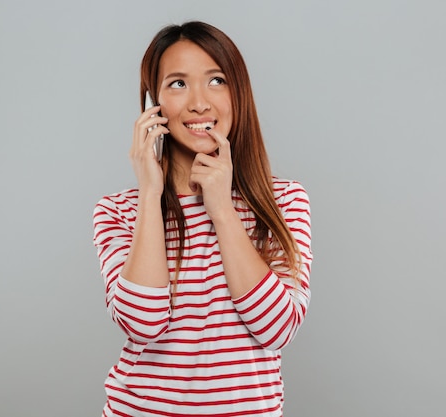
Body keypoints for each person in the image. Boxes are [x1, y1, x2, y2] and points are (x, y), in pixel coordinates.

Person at [93, 21, 312, 417]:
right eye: (177, 84)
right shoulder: (118, 210)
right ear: (151, 104)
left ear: (238, 93)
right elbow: (142, 323)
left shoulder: (282, 201)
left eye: (216, 80)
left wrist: (222, 210)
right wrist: (149, 192)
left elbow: (278, 328)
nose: (199, 103)